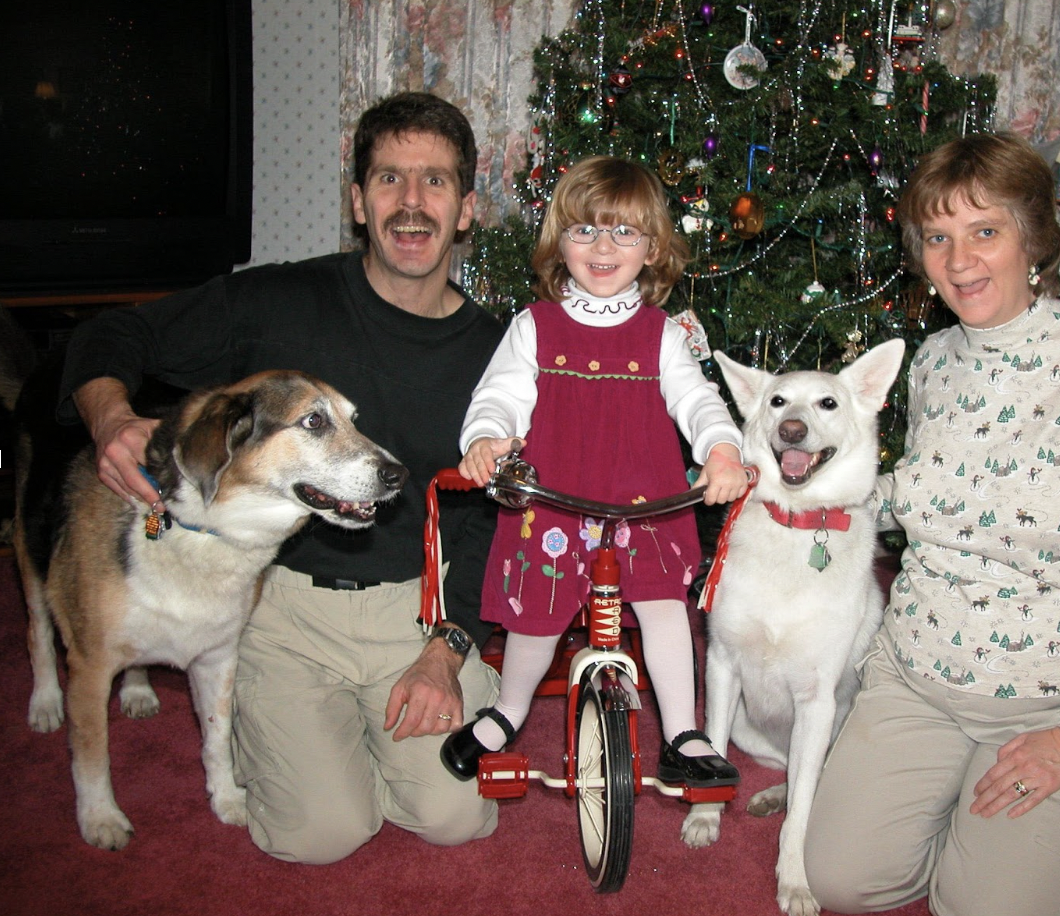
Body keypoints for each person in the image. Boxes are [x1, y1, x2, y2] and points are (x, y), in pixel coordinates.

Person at [57, 92, 507, 864]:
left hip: (413, 612)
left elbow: (484, 522)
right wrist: (108, 419)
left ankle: (382, 731)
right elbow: (113, 331)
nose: (411, 203)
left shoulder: (499, 354)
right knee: (319, 837)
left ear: (466, 208)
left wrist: (446, 647)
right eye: (389, 179)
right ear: (358, 200)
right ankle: (321, 736)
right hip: (281, 609)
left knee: (455, 818)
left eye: (434, 183)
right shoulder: (276, 301)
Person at [802, 133, 1060, 916]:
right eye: (939, 238)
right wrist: (795, 506)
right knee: (843, 882)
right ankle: (943, 808)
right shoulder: (936, 361)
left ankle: (1052, 805)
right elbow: (915, 498)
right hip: (919, 676)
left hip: (1054, 701)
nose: (959, 259)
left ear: (1034, 241)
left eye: (986, 231)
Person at [440, 155, 749, 787]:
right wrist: (487, 439)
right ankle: (509, 710)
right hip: (552, 500)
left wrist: (720, 449)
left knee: (664, 605)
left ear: (652, 248)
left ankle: (682, 732)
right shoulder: (535, 326)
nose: (603, 247)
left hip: (646, 503)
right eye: (585, 231)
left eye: (624, 233)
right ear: (561, 241)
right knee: (537, 615)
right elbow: (497, 396)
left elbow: (698, 401)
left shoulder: (661, 333)